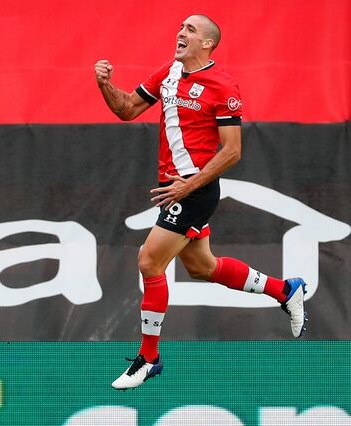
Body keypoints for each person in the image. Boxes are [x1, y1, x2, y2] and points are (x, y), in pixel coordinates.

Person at [94, 14, 307, 390]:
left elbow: (233, 151)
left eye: (190, 30)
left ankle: (149, 357)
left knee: (148, 260)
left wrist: (188, 186)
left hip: (194, 190)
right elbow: (127, 109)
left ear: (207, 43)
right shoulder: (170, 71)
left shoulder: (223, 86)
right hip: (173, 188)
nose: (180, 33)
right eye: (180, 27)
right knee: (202, 267)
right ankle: (284, 290)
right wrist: (105, 84)